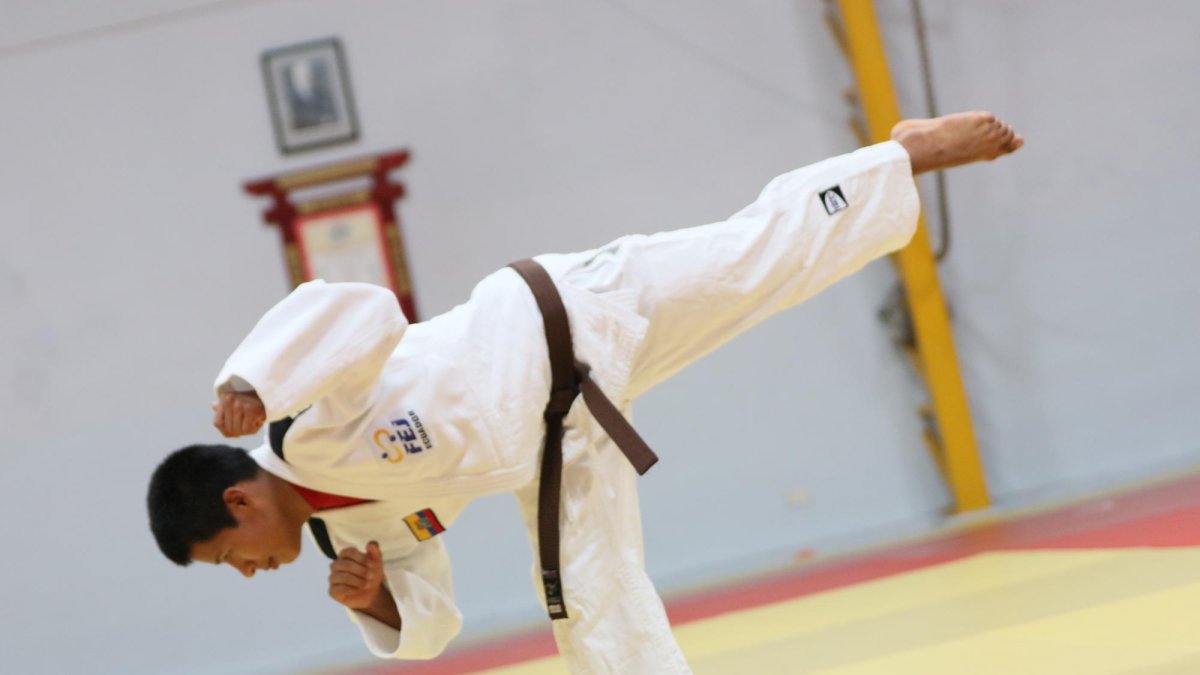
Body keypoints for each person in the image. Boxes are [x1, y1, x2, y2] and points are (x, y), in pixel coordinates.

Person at [148, 112, 1023, 672]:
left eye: (232, 554)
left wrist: (252, 377)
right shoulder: (351, 530)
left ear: (236, 498)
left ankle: (898, 158)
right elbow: (435, 619)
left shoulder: (304, 418)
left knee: (756, 258)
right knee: (592, 603)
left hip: (567, 314)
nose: (253, 572)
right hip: (565, 441)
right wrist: (373, 595)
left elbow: (357, 309)